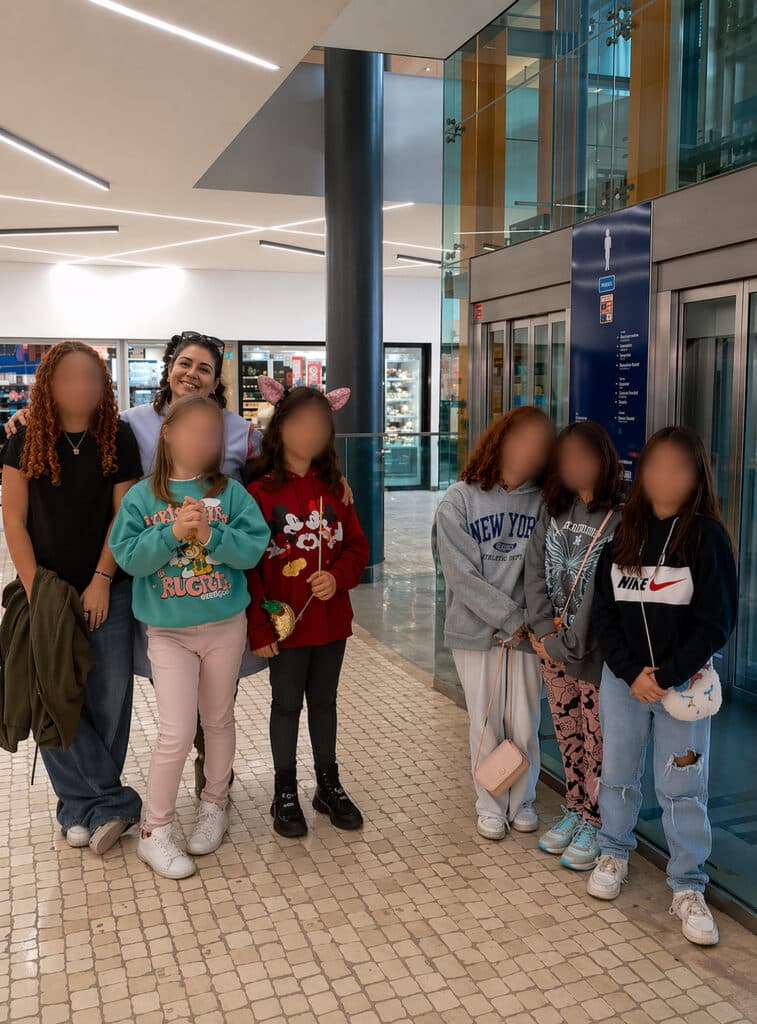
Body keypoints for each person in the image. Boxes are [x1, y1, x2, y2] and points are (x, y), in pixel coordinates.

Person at [109, 396, 270, 878]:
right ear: (167, 433)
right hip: (168, 633)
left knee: (218, 719)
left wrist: (210, 537)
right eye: (194, 430)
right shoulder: (142, 497)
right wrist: (173, 533)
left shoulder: (231, 493)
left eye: (213, 434)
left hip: (225, 626)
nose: (204, 441)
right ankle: (154, 831)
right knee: (176, 730)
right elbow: (129, 558)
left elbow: (253, 549)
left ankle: (214, 803)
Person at [589, 427, 737, 946]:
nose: (666, 477)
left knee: (683, 786)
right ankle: (613, 851)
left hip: (683, 687)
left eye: (679, 468)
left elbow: (716, 622)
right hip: (624, 683)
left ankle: (688, 884)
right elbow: (604, 615)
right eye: (657, 465)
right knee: (617, 773)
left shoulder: (707, 538)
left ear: (697, 477)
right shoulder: (622, 534)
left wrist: (666, 675)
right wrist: (632, 672)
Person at [2, 341, 143, 853]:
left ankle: (81, 808)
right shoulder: (23, 437)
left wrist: (102, 578)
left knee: (108, 699)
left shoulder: (118, 436)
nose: (81, 387)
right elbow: (13, 518)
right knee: (54, 695)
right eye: (68, 378)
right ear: (49, 384)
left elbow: (124, 516)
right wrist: (37, 589)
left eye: (91, 378)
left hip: (111, 589)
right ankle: (105, 804)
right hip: (47, 588)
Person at [246, 377, 369, 839]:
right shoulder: (258, 493)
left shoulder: (336, 489)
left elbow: (357, 548)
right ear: (279, 428)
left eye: (320, 425)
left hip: (330, 622)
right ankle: (284, 790)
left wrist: (338, 577)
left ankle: (327, 784)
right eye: (300, 423)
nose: (309, 433)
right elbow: (249, 568)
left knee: (324, 703)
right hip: (284, 627)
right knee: (285, 705)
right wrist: (259, 628)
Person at [432, 407, 554, 841]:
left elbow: (546, 571)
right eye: (522, 441)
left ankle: (522, 800)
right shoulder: (460, 499)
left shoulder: (545, 501)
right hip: (477, 631)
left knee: (524, 721)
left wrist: (529, 624)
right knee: (485, 724)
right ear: (500, 441)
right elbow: (461, 575)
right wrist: (510, 618)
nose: (529, 452)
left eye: (539, 446)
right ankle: (490, 803)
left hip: (527, 634)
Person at [525, 421, 624, 870]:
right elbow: (533, 571)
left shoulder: (622, 516)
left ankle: (598, 823)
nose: (575, 467)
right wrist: (543, 633)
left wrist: (565, 643)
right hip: (552, 649)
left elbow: (606, 591)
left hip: (596, 656)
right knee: (568, 737)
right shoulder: (554, 509)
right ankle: (577, 809)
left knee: (598, 741)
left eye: (584, 457)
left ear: (604, 459)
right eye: (566, 459)